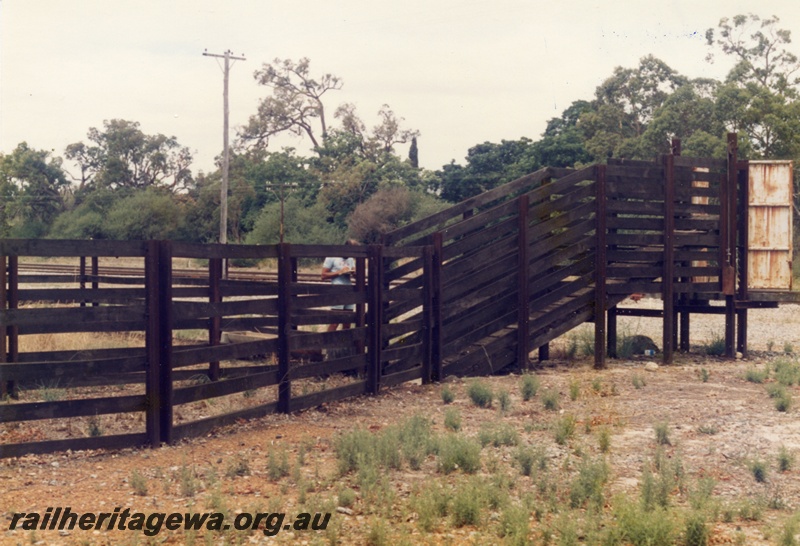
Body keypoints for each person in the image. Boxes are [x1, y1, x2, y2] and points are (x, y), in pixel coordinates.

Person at [321, 240, 358, 332]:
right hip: (337, 290)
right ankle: (328, 344)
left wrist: (354, 273)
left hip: (349, 290)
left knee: (347, 321)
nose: (350, 255)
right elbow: (323, 275)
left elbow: (355, 275)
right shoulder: (332, 257)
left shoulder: (350, 259)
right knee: (335, 321)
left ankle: (343, 345)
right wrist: (340, 272)